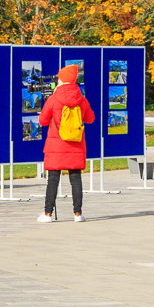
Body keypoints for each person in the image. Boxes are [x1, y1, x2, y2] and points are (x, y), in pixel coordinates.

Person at [37, 65, 96, 223]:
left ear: (61, 80)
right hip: (75, 144)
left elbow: (42, 121)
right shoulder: (82, 100)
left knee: (53, 179)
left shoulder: (53, 99)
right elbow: (90, 119)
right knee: (76, 179)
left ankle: (47, 214)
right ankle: (78, 214)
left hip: (56, 145)